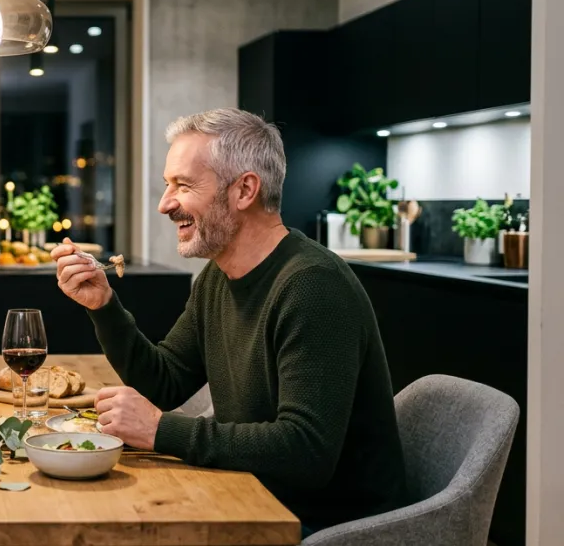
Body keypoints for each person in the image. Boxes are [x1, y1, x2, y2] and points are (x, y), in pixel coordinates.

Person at [52, 108, 407, 536]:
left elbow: (306, 452)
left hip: (322, 528)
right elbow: (165, 382)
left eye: (183, 185)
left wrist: (161, 430)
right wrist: (103, 305)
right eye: (168, 186)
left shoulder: (313, 286)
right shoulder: (218, 278)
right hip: (251, 494)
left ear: (244, 190)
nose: (165, 204)